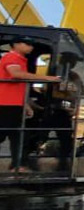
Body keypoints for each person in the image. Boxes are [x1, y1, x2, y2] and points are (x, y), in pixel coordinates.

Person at [0, 38, 60, 172]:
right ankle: (17, 165)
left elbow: (18, 87)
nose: (31, 47)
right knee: (9, 134)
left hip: (14, 104)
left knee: (19, 136)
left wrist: (25, 104)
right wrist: (48, 78)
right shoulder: (11, 57)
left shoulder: (21, 59)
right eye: (27, 44)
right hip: (5, 104)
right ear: (15, 44)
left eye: (32, 44)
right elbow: (16, 74)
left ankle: (18, 166)